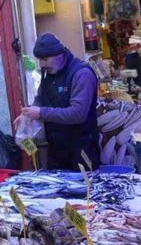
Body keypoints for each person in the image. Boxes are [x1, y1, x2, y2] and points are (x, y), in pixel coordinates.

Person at [22, 33, 101, 171]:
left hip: (81, 150)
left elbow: (78, 114)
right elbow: (41, 97)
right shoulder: (48, 73)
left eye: (45, 59)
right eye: (39, 59)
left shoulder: (82, 74)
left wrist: (40, 113)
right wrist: (29, 113)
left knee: (83, 191)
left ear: (59, 55)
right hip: (56, 150)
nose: (41, 64)